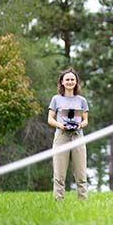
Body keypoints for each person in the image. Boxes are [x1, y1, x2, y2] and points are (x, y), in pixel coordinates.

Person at [48, 68, 89, 201]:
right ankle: (59, 202)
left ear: (76, 82)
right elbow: (50, 119)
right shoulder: (56, 99)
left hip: (77, 135)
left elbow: (85, 120)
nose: (70, 82)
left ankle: (82, 202)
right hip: (61, 136)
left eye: (72, 79)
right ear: (62, 82)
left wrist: (80, 125)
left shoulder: (82, 100)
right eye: (67, 79)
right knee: (59, 174)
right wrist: (60, 125)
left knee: (81, 173)